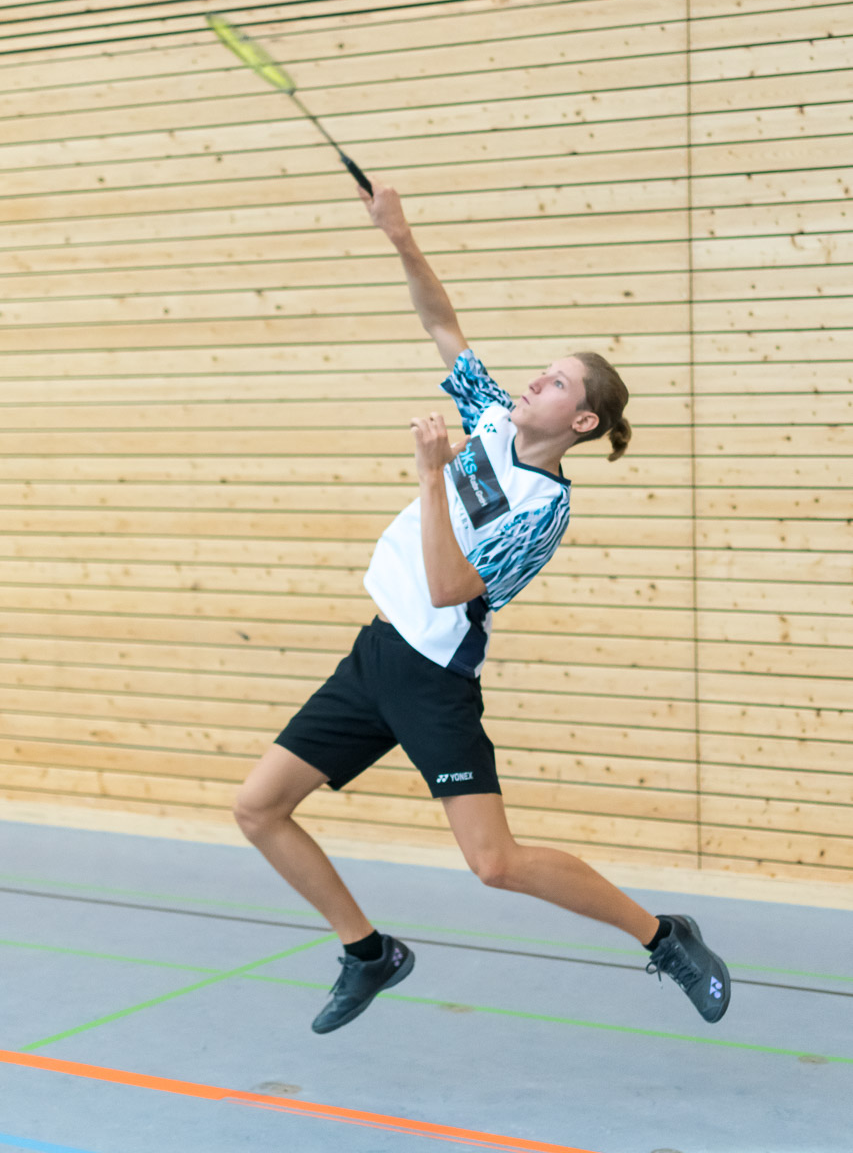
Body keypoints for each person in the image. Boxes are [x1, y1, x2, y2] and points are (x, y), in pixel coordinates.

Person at [234, 184, 731, 1034]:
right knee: (257, 808)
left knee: (494, 863)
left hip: (432, 679)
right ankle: (367, 952)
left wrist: (432, 475)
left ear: (580, 420)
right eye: (542, 370)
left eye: (556, 381)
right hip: (375, 655)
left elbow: (448, 587)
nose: (535, 379)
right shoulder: (492, 420)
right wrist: (401, 236)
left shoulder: (544, 508)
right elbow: (441, 322)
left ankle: (662, 936)